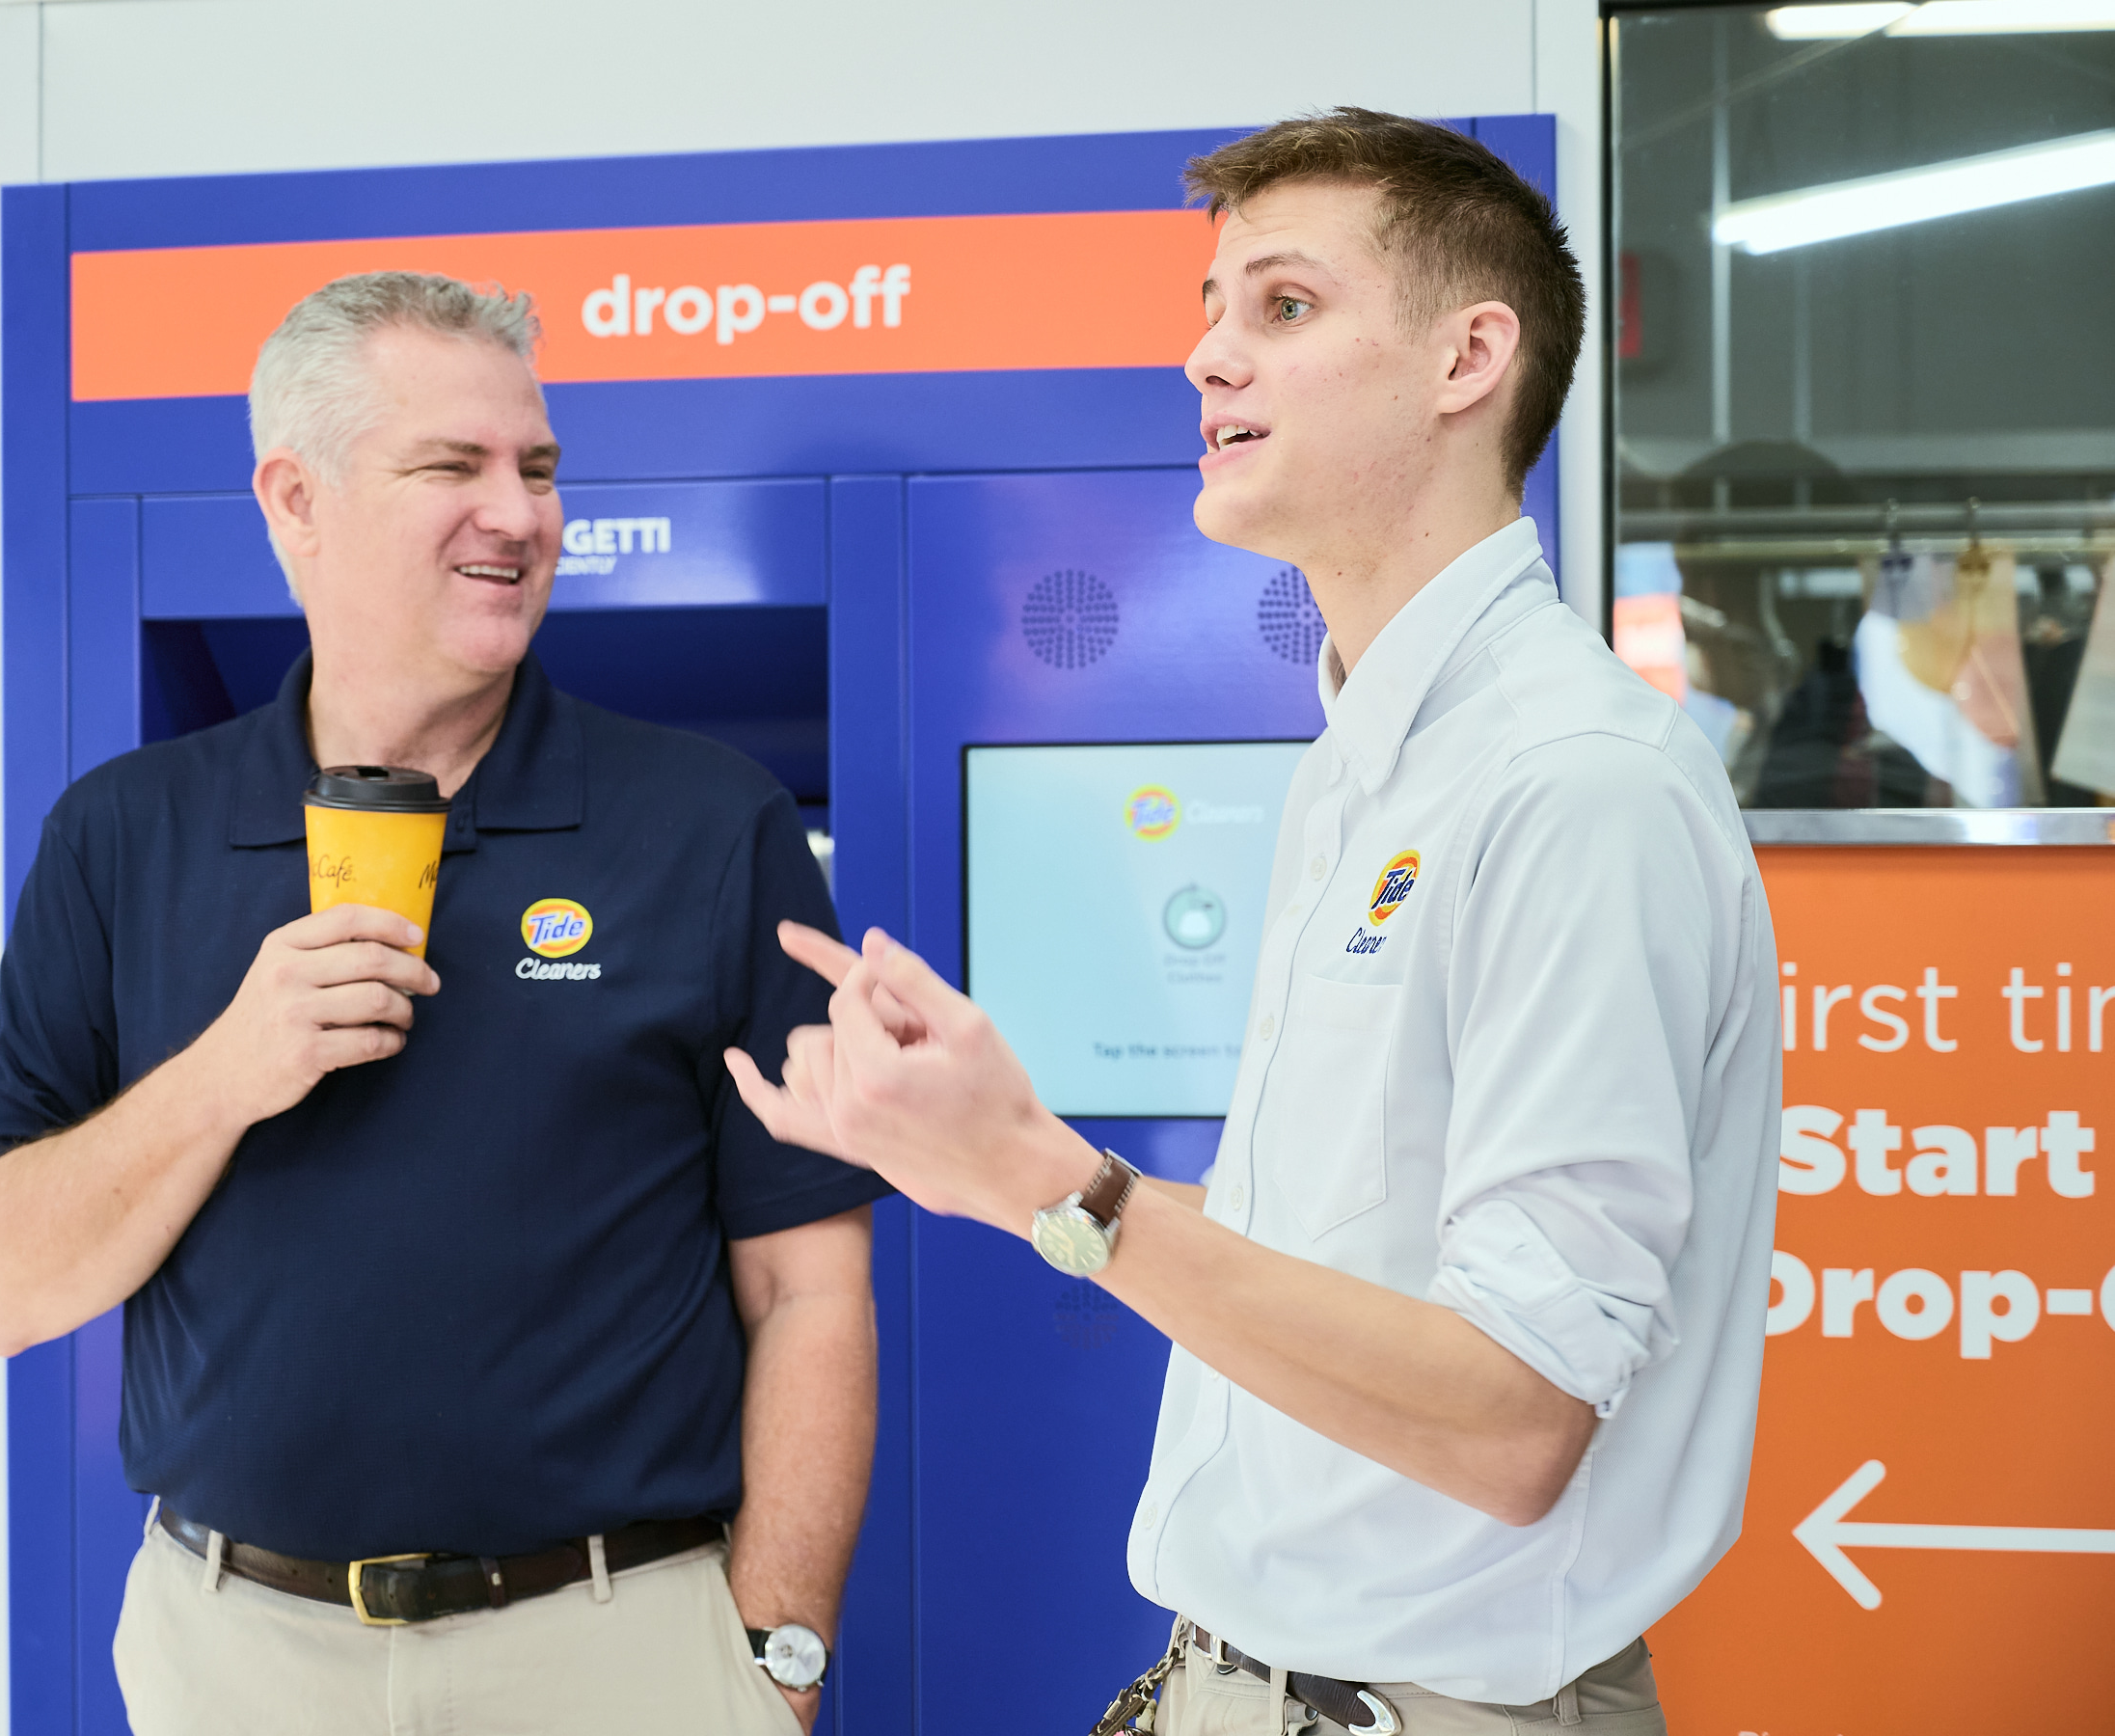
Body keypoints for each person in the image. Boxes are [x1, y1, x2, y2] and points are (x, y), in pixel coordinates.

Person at [729, 110, 1777, 1736]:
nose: (1208, 357)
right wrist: (993, 1162)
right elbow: (1341, 1238)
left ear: (1467, 358)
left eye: (1283, 306)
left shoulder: (1574, 785)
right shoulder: (1366, 761)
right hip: (1252, 1683)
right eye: (1212, 310)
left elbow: (1514, 1420)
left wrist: (1058, 1186)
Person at [0, 272, 886, 1736]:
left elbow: (809, 1289)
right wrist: (227, 1072)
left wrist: (778, 1660)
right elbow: (2, 1291)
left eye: (538, 468)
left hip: (617, 1656)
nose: (518, 514)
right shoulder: (123, 836)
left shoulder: (709, 825)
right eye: (453, 466)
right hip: (237, 1660)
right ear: (296, 500)